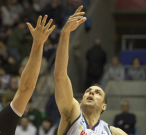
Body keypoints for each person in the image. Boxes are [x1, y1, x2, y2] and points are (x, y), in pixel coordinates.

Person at [54, 6, 127, 135]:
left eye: (98, 93)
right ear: (81, 101)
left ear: (104, 106)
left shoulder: (114, 132)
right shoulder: (72, 115)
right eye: (88, 91)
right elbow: (60, 76)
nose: (91, 93)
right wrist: (65, 34)